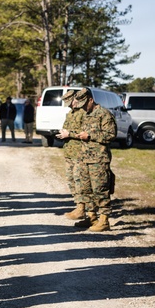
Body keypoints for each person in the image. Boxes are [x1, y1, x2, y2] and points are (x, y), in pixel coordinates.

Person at [58, 87, 116, 231]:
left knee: (100, 190)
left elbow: (111, 135)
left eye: (84, 104)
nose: (82, 107)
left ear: (91, 100)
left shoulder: (104, 114)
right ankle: (92, 217)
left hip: (99, 159)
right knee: (86, 190)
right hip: (84, 157)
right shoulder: (86, 114)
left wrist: (90, 136)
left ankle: (104, 221)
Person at [57, 89, 87, 221]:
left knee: (79, 181)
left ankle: (82, 208)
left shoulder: (84, 113)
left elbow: (86, 133)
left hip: (79, 153)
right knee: (71, 180)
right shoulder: (70, 113)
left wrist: (70, 134)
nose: (69, 105)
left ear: (76, 99)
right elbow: (67, 128)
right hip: (69, 152)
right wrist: (63, 133)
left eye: (70, 102)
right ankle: (78, 206)